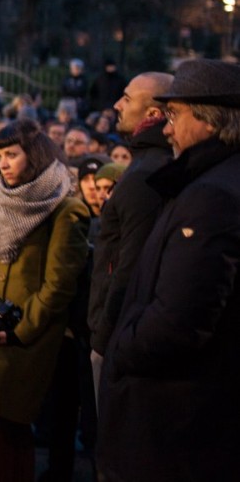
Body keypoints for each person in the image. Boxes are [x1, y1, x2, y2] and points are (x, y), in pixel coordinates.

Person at [98, 59, 240, 481]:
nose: (166, 128)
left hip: (175, 421)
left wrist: (121, 347)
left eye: (175, 115)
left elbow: (178, 321)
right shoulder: (204, 183)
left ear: (211, 121)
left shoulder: (212, 196)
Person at [0, 119, 90, 482]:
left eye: (12, 154)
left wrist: (19, 332)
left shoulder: (66, 210)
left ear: (34, 155)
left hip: (30, 339)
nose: (3, 163)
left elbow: (58, 287)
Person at [86, 72, 173, 407]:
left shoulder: (143, 176)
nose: (116, 104)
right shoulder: (145, 166)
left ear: (152, 114)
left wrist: (103, 335)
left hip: (118, 336)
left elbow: (129, 264)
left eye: (126, 98)